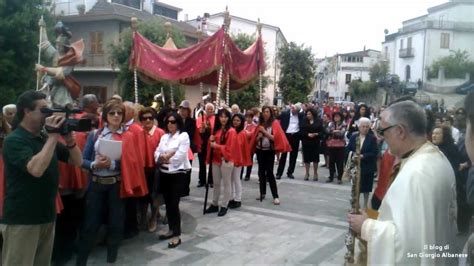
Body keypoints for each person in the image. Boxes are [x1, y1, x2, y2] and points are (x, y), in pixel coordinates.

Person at [348, 100, 456, 265]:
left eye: (383, 131)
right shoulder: (436, 158)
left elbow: (408, 245)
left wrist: (366, 226)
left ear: (400, 131)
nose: (382, 137)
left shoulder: (416, 173)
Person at [1, 91, 82, 266]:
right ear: (26, 112)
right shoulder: (14, 140)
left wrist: (70, 141)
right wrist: (53, 137)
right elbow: (35, 169)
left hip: (46, 216)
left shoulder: (43, 138)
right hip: (22, 219)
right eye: (44, 110)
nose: (49, 115)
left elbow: (77, 161)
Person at [76, 99, 127, 265]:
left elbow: (133, 161)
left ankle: (112, 257)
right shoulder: (95, 134)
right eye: (112, 113)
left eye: (119, 113)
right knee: (90, 222)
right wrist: (94, 164)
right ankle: (81, 259)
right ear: (105, 116)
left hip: (116, 184)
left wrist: (112, 163)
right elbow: (82, 159)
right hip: (96, 183)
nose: (116, 116)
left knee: (116, 222)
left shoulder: (129, 135)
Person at [154, 112, 191, 248]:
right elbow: (157, 152)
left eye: (173, 122)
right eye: (168, 122)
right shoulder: (164, 137)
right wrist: (165, 156)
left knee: (174, 205)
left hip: (177, 174)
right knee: (168, 204)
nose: (170, 124)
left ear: (178, 123)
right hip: (164, 173)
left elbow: (180, 156)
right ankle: (171, 229)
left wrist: (168, 157)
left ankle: (176, 235)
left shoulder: (183, 136)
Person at [254, 106, 291, 205]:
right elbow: (255, 140)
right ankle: (262, 192)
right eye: (264, 111)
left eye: (267, 111)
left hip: (269, 151)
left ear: (270, 113)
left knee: (270, 173)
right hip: (260, 150)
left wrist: (264, 132)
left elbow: (276, 138)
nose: (265, 113)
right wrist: (259, 137)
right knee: (261, 172)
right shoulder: (260, 124)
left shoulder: (274, 123)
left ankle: (275, 196)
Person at [205, 109, 238, 217]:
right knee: (216, 183)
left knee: (227, 183)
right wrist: (211, 140)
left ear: (228, 118)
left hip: (226, 160)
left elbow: (230, 148)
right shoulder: (217, 130)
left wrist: (216, 146)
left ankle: (224, 205)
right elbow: (212, 144)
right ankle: (214, 204)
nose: (223, 119)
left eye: (225, 116)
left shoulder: (231, 131)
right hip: (216, 160)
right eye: (221, 116)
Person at [139, 107, 164, 233]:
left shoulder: (160, 133)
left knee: (155, 195)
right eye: (145, 118)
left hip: (156, 169)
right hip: (142, 169)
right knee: (143, 195)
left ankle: (153, 218)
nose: (148, 120)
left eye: (150, 118)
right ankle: (143, 217)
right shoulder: (138, 132)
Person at [347, 117, 378, 209]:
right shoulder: (354, 136)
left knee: (366, 187)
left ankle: (365, 205)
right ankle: (355, 203)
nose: (365, 128)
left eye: (367, 127)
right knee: (355, 186)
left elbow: (374, 152)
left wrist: (363, 156)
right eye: (363, 126)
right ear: (359, 127)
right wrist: (353, 154)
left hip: (367, 165)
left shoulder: (372, 139)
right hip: (356, 165)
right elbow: (348, 148)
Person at [228, 113, 251, 209]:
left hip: (237, 160)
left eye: (238, 120)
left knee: (236, 179)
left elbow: (242, 148)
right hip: (230, 159)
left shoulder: (242, 133)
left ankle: (238, 199)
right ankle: (232, 198)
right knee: (231, 180)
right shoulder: (231, 131)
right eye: (234, 120)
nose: (235, 122)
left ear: (241, 122)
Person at [276, 104, 304, 179]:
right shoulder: (285, 114)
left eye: (297, 111)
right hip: (286, 135)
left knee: (294, 155)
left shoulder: (301, 115)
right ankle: (279, 173)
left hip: (295, 135)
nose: (294, 111)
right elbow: (277, 117)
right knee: (284, 155)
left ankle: (290, 172)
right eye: (294, 109)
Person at [300, 108, 324, 181]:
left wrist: (316, 134)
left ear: (313, 114)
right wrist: (307, 134)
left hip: (315, 142)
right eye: (307, 114)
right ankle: (307, 173)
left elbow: (322, 132)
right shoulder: (304, 121)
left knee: (315, 158)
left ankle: (315, 173)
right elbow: (301, 131)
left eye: (309, 114)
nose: (308, 115)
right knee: (306, 158)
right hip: (306, 141)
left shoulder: (319, 121)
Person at [196, 103, 215, 187]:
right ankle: (202, 180)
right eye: (208, 109)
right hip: (202, 143)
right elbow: (198, 129)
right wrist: (202, 127)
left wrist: (209, 127)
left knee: (212, 163)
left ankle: (211, 180)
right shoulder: (200, 118)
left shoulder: (215, 119)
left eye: (211, 109)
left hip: (211, 143)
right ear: (205, 110)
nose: (210, 110)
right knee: (201, 163)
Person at [326, 112, 346, 184]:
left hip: (340, 146)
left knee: (340, 163)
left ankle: (339, 178)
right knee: (331, 162)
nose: (336, 118)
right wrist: (335, 131)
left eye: (338, 117)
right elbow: (327, 131)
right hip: (332, 146)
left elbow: (341, 134)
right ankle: (331, 176)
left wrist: (334, 132)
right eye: (335, 117)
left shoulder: (343, 124)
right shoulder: (331, 124)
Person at [241, 110, 257, 181]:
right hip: (242, 145)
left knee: (249, 160)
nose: (248, 119)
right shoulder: (243, 124)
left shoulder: (254, 126)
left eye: (250, 117)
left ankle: (248, 175)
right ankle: (240, 174)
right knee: (241, 160)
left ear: (252, 118)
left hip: (250, 146)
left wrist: (244, 132)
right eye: (247, 117)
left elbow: (250, 135)